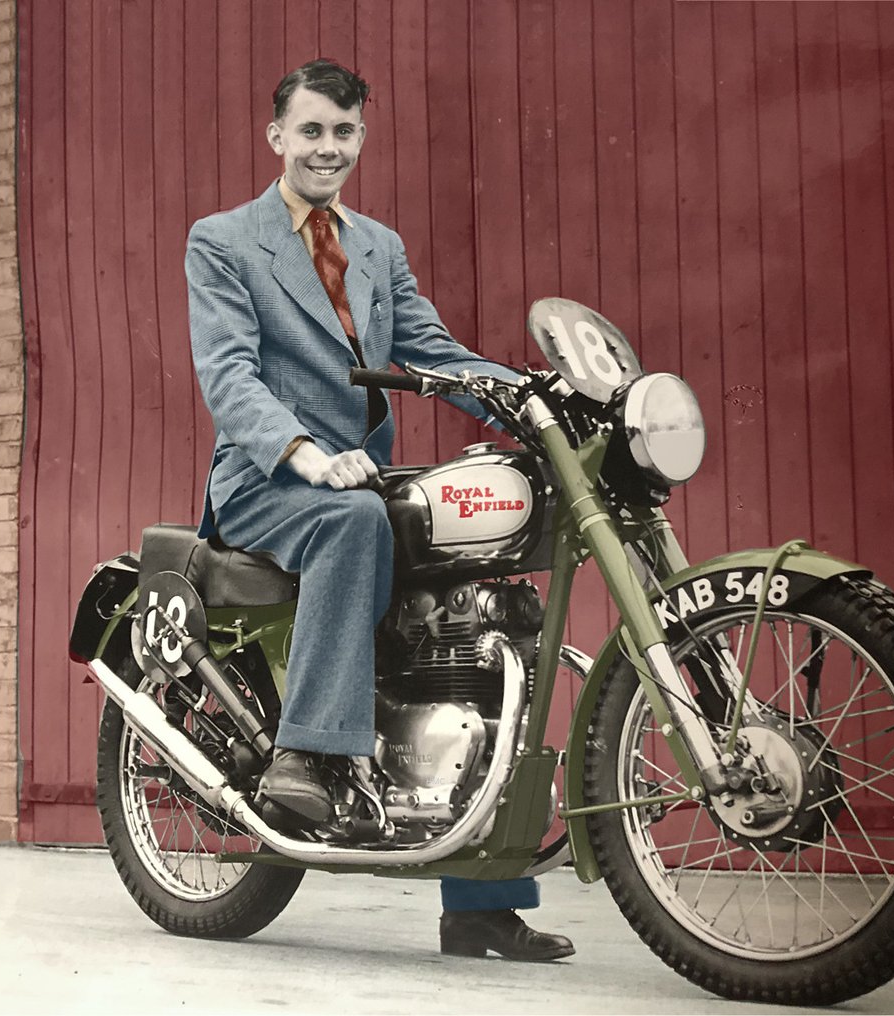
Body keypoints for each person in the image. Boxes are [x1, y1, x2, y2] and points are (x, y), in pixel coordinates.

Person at [185, 59, 573, 963]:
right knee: (357, 520)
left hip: (363, 479)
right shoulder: (224, 240)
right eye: (312, 130)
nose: (329, 148)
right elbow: (229, 374)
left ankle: (480, 904)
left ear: (363, 138)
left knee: (479, 604)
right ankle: (305, 758)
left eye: (345, 132)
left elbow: (434, 353)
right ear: (277, 135)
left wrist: (541, 400)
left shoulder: (377, 248)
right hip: (269, 479)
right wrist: (307, 453)